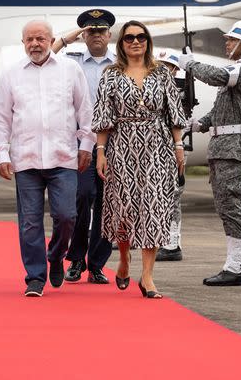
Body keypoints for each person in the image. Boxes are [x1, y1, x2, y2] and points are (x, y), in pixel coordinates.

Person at [0, 20, 95, 297]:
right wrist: (1, 152)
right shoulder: (11, 74)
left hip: (63, 158)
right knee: (30, 222)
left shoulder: (70, 70)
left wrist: (86, 145)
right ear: (23, 42)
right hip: (26, 160)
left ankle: (55, 255)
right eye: (29, 39)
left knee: (66, 216)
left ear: (51, 40)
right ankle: (35, 277)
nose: (35, 44)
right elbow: (1, 118)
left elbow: (85, 111)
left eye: (40, 38)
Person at [93, 21, 186, 299]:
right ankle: (124, 259)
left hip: (158, 145)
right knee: (124, 208)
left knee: (155, 207)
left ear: (148, 41)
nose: (136, 41)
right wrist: (100, 151)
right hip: (122, 145)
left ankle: (147, 277)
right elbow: (103, 117)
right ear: (121, 43)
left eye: (141, 37)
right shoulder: (110, 75)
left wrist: (179, 146)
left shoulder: (162, 74)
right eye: (129, 37)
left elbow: (174, 114)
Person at [178, 20, 241, 286]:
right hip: (222, 146)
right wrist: (200, 124)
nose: (226, 43)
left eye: (231, 39)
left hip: (233, 146)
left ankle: (236, 268)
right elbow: (220, 109)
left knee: (232, 205)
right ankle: (235, 265)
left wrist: (190, 64)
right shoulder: (235, 72)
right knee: (225, 205)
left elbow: (216, 76)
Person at [52, 9, 116, 284]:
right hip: (82, 141)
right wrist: (68, 39)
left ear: (109, 35)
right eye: (91, 31)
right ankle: (76, 258)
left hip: (114, 142)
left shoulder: (119, 64)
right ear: (84, 36)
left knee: (108, 203)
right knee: (81, 197)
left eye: (101, 31)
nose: (97, 36)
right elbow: (46, 56)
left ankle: (97, 264)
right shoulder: (72, 62)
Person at [156, 50, 185, 262]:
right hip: (156, 149)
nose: (161, 69)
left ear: (175, 70)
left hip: (175, 149)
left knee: (172, 196)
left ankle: (173, 243)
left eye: (166, 65)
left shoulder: (180, 90)